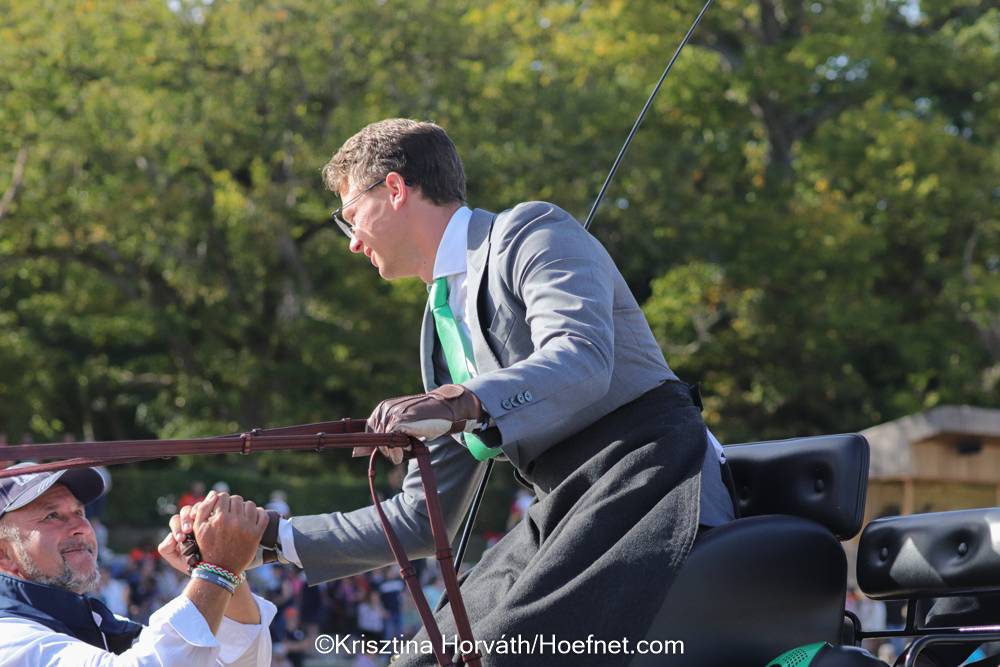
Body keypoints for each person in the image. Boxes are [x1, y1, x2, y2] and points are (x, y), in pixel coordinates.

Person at [261, 118, 736, 664]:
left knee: (500, 655)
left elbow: (582, 356)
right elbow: (423, 518)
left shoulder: (533, 231)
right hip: (564, 503)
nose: (351, 242)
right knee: (422, 658)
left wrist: (460, 402)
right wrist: (274, 539)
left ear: (394, 189)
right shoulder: (438, 334)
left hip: (650, 475)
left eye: (350, 217)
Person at [0, 462, 276, 665]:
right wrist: (217, 571)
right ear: (4, 554)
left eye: (79, 512)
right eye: (51, 516)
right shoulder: (9, 639)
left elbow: (238, 662)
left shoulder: (99, 622)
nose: (81, 527)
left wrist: (223, 566)